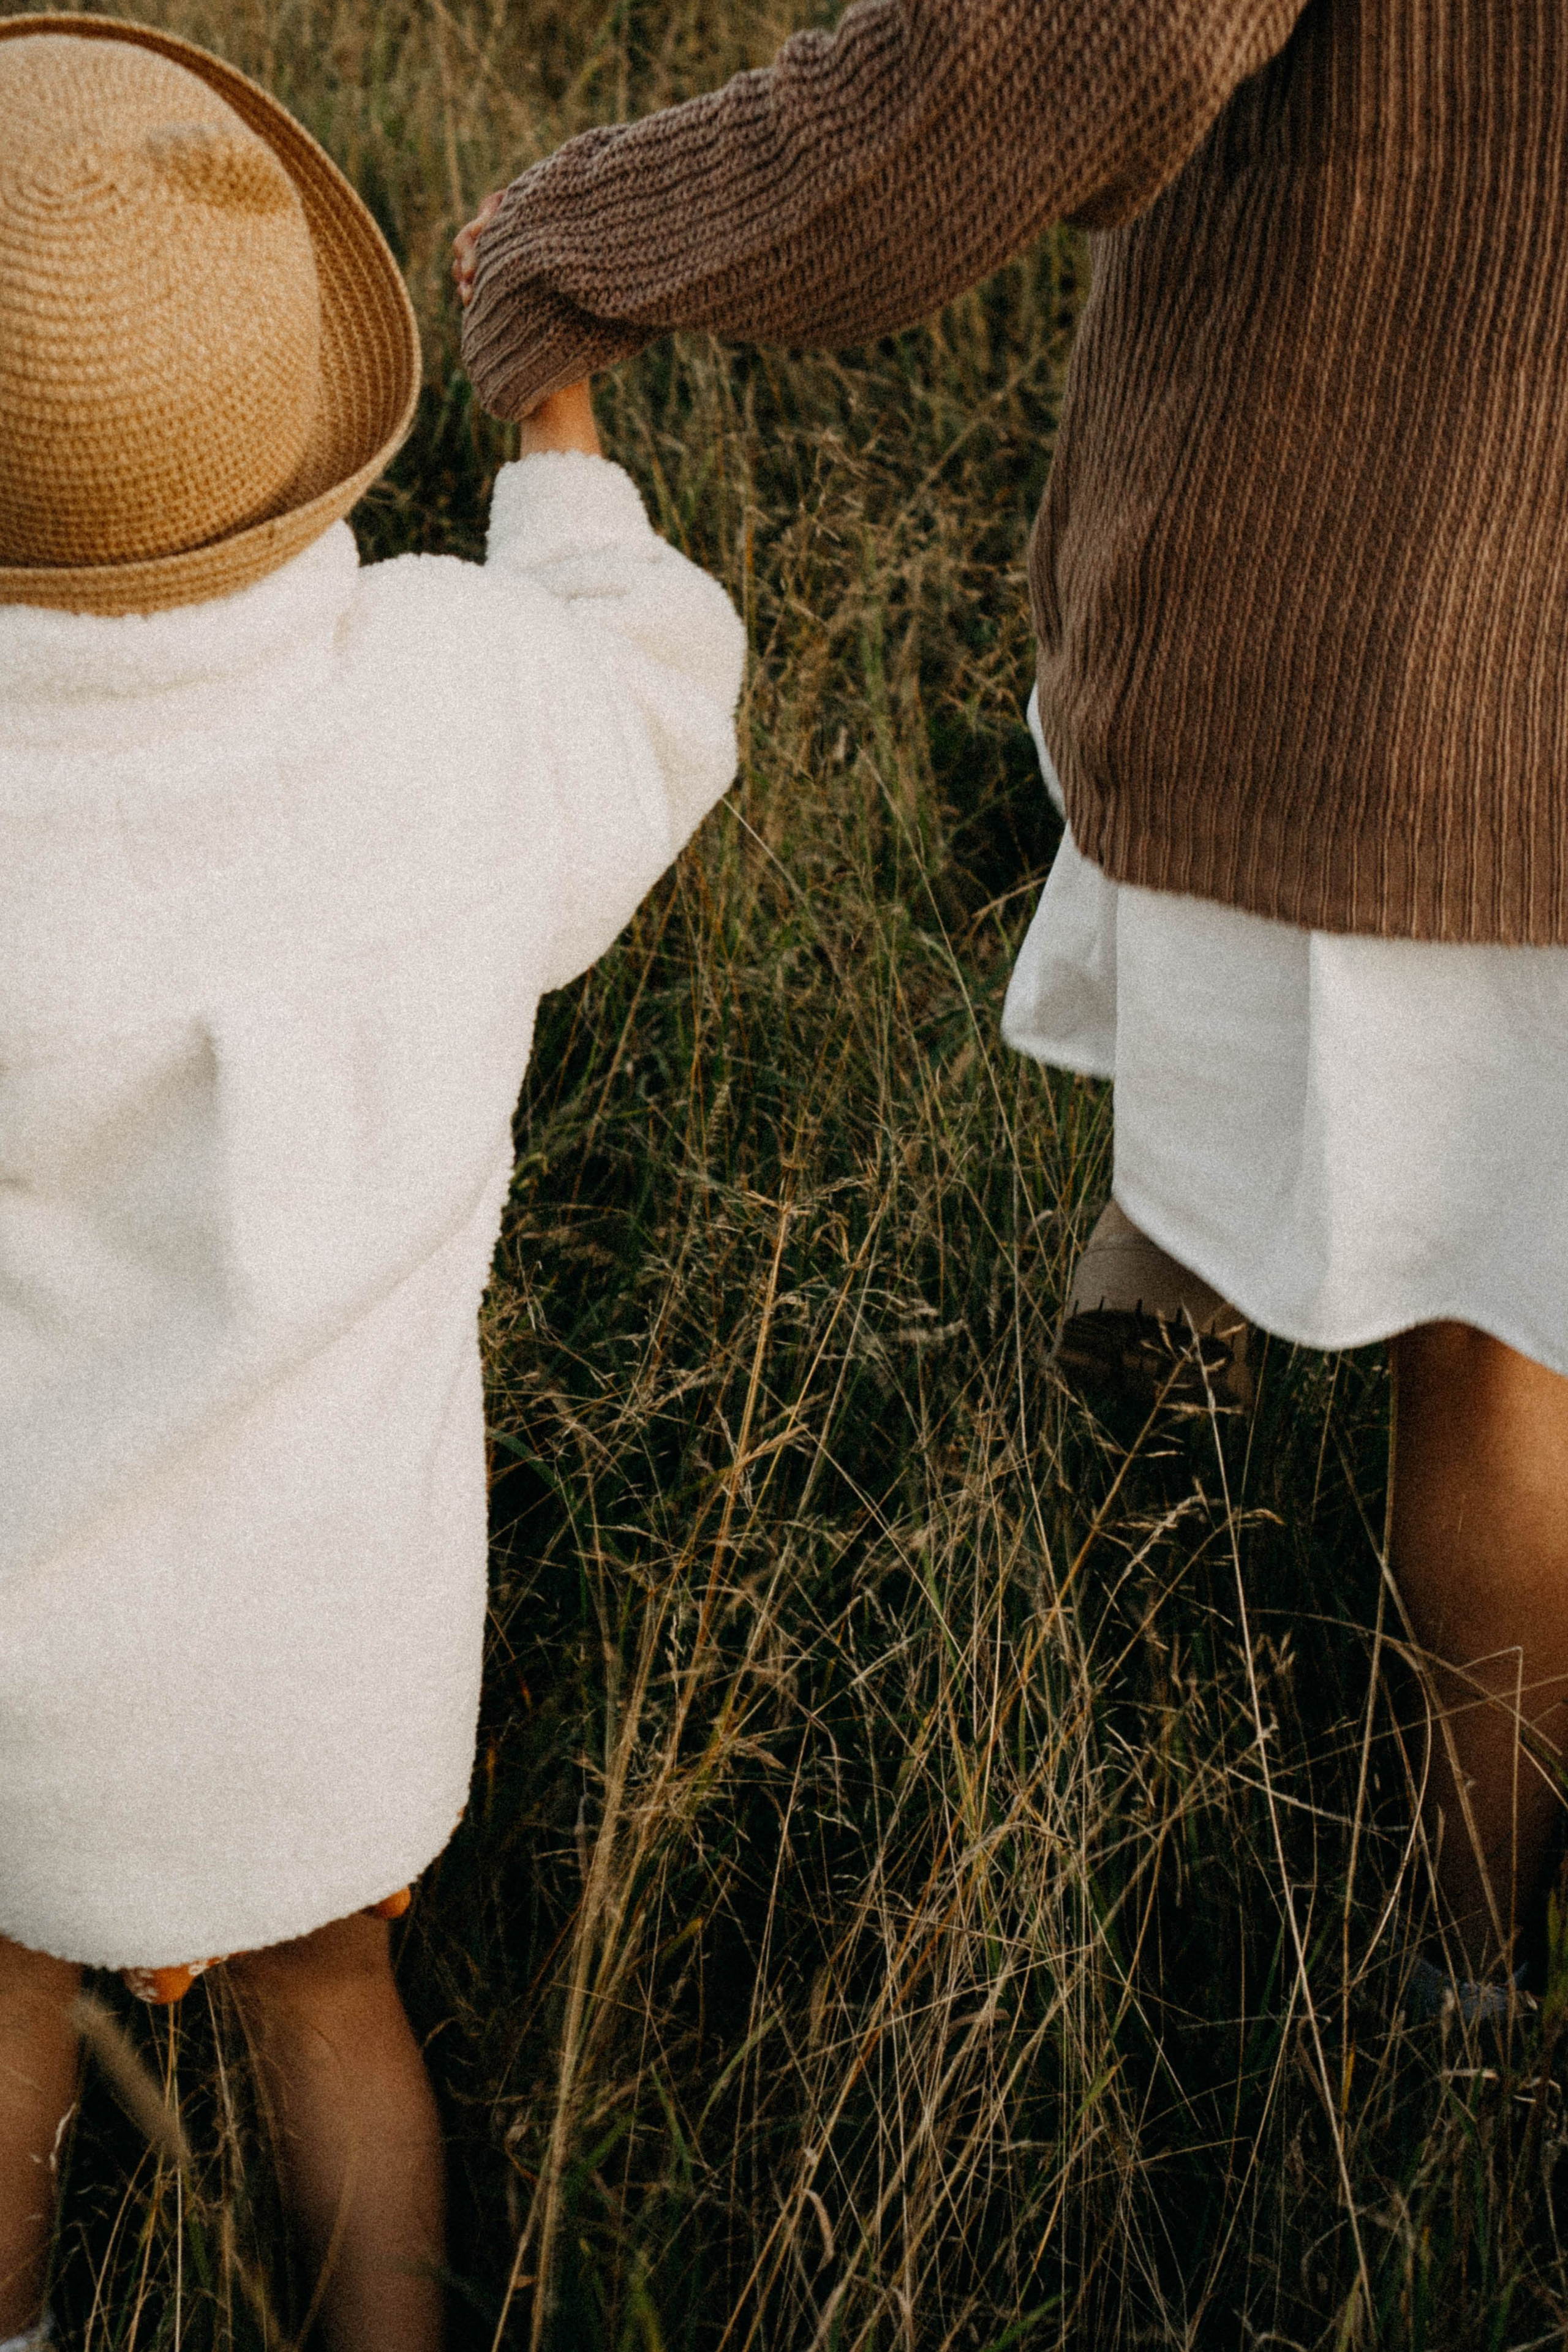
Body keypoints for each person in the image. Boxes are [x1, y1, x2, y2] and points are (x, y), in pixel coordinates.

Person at [454, 0, 1568, 2015]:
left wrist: (594, 228)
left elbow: (1058, 59)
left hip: (1394, 644)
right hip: (1422, 629)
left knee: (1492, 1355)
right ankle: (1175, 1430)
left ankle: (1458, 1977)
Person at [0, 18, 744, 2352]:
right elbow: (661, 672)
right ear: (312, 425)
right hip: (338, 1637)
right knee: (339, 2007)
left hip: (15, 1656)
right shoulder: (459, 714)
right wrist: (555, 436)